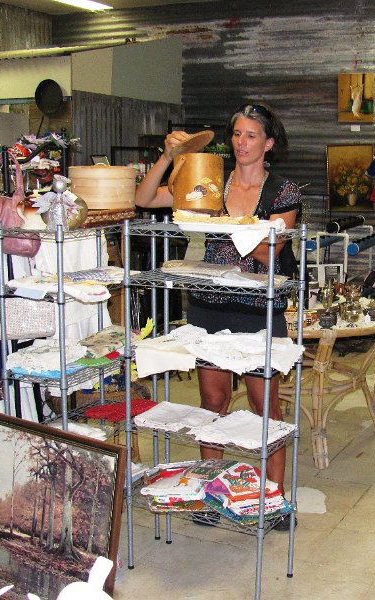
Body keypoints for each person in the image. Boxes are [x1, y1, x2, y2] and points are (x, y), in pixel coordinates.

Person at [134, 102, 301, 529]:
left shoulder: (282, 191)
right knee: (213, 404)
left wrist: (224, 222)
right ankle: (213, 492)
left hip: (259, 310)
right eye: (237, 134)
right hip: (209, 306)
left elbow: (270, 251)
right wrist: (169, 157)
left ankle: (274, 498)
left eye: (251, 135)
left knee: (267, 408)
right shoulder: (207, 181)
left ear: (269, 143)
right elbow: (144, 198)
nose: (241, 143)